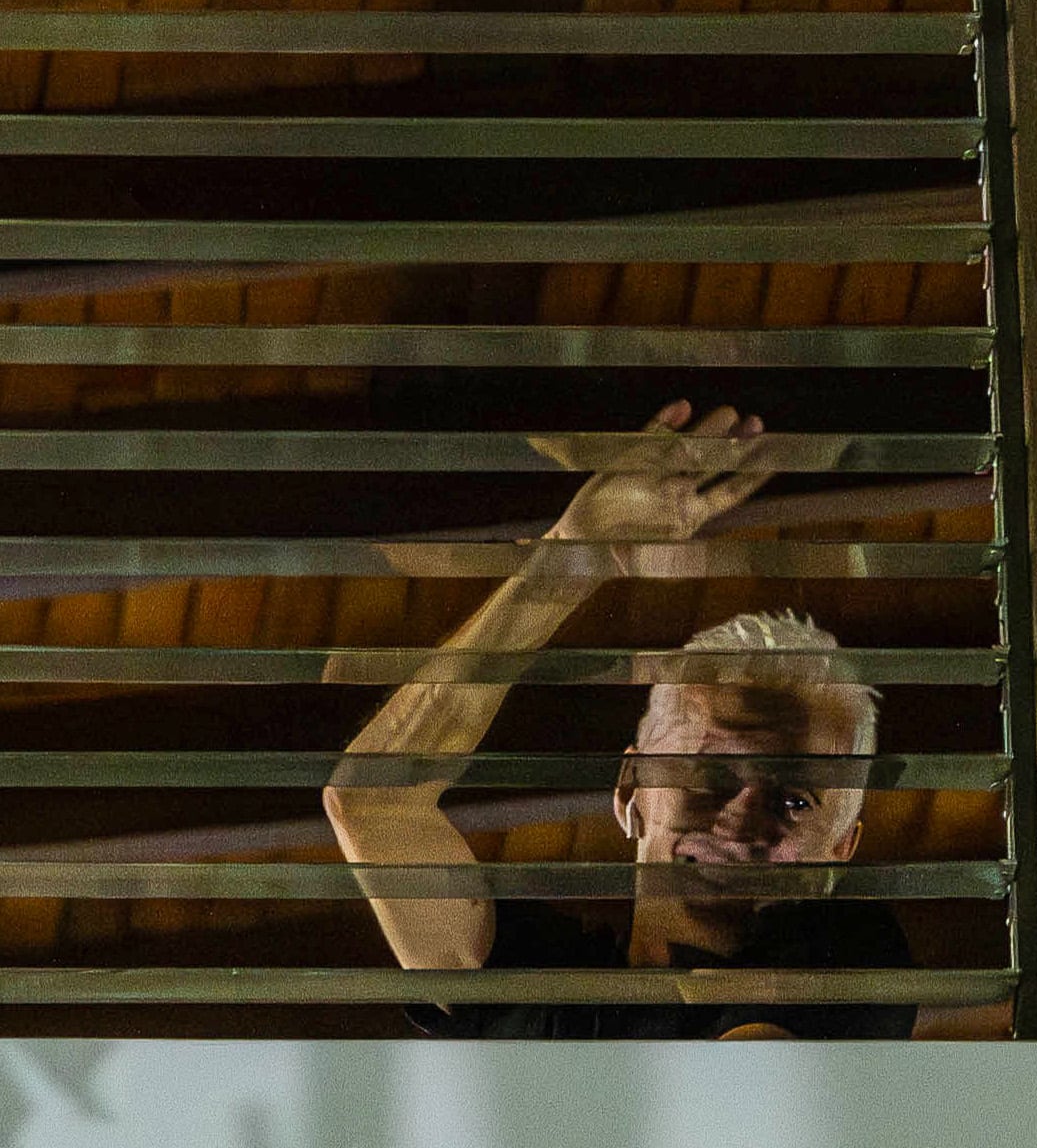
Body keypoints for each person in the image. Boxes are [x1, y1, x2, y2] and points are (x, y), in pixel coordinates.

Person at [322, 400, 915, 1040]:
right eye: (710, 773)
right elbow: (375, 801)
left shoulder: (855, 968)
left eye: (796, 799)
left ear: (842, 847)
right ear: (631, 790)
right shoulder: (543, 988)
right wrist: (573, 555)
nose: (744, 818)